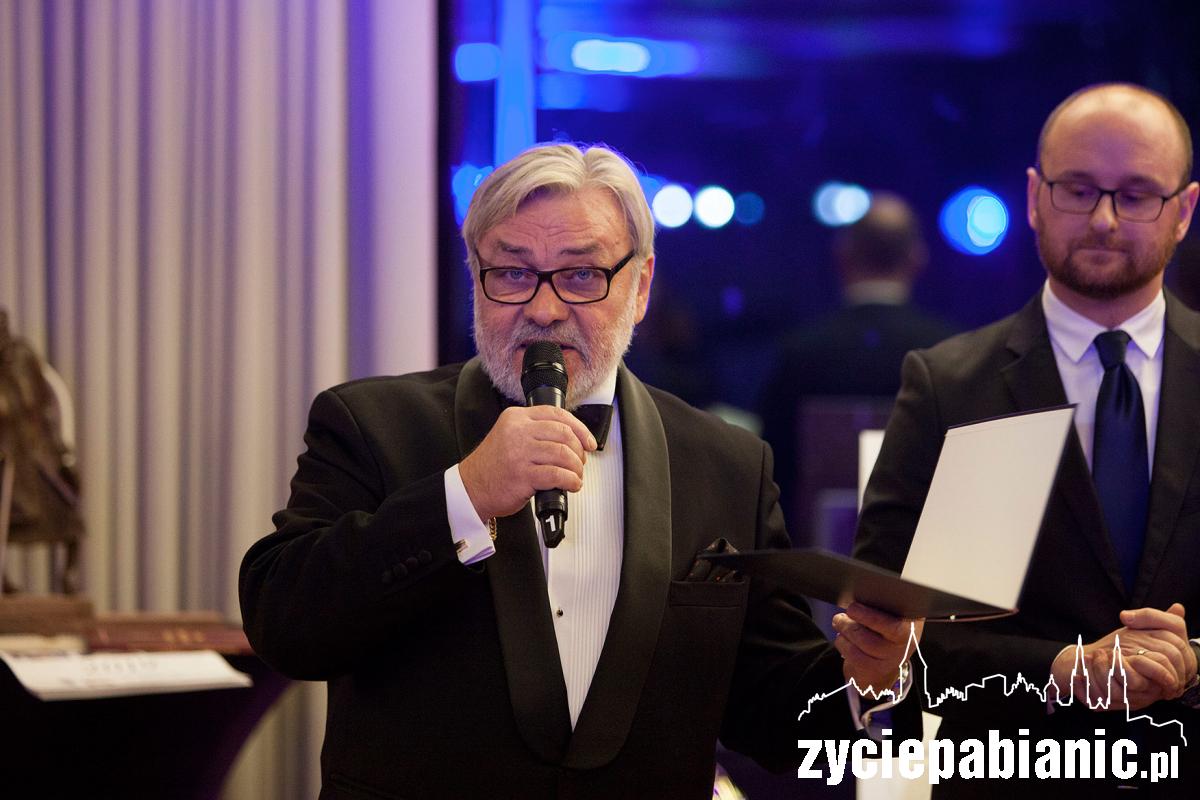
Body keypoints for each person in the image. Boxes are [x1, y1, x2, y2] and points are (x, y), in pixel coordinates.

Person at [240, 143, 921, 798]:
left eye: (581, 275)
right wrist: (465, 495)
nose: (543, 309)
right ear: (475, 277)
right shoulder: (371, 424)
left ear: (641, 286)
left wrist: (868, 677)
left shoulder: (728, 464)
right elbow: (286, 625)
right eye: (512, 273)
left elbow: (773, 711)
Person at [854, 83, 1200, 797]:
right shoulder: (949, 386)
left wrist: (1190, 661)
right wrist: (1058, 669)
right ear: (1036, 198)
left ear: (1184, 210)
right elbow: (886, 633)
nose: (1103, 219)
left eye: (1136, 195)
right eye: (1079, 190)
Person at [759, 193, 956, 535]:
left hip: (808, 555)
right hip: (923, 550)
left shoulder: (800, 353)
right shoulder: (949, 351)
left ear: (842, 255)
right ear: (917, 258)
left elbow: (770, 470)